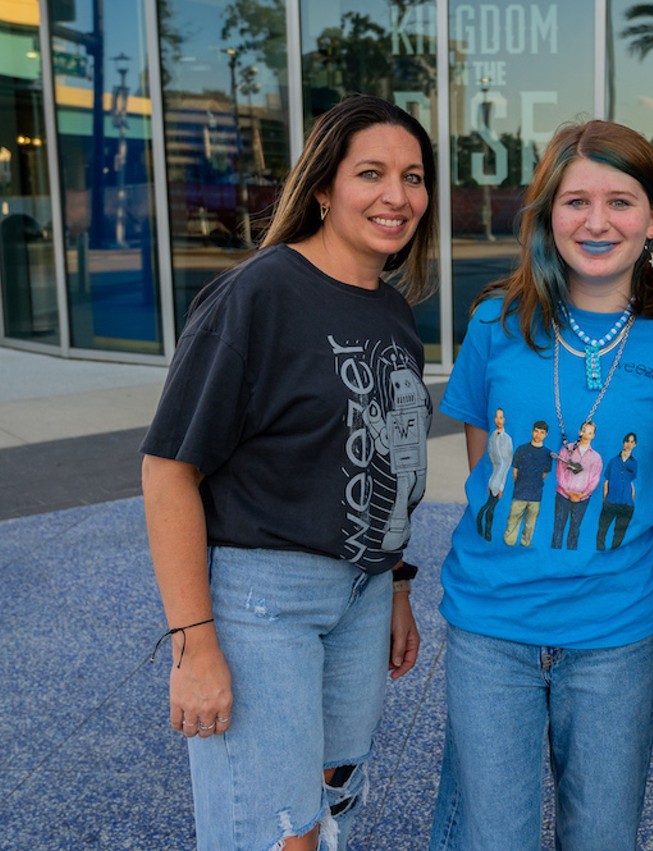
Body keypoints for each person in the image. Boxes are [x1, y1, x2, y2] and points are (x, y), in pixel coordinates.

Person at [140, 94, 438, 851]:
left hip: (363, 596)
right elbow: (167, 469)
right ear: (323, 188)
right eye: (370, 173)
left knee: (325, 803)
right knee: (274, 832)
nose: (395, 196)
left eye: (413, 176)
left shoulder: (393, 310)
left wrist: (396, 581)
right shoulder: (258, 296)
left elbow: (387, 458)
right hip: (264, 601)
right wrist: (194, 644)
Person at [430, 119, 653, 850]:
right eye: (574, 200)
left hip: (615, 635)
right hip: (491, 628)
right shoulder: (496, 322)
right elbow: (484, 466)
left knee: (603, 834)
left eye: (620, 201)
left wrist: (612, 555)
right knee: (494, 835)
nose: (596, 221)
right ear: (546, 215)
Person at [551, 420, 603, 550]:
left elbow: (595, 479)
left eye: (591, 432)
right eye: (585, 430)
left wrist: (582, 494)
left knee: (575, 528)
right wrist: (568, 491)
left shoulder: (596, 458)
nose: (587, 433)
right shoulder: (567, 449)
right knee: (558, 526)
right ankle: (555, 555)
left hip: (582, 499)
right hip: (563, 496)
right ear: (580, 431)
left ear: (593, 436)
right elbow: (560, 471)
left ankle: (571, 557)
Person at [503, 420, 553, 546]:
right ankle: (509, 543)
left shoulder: (547, 454)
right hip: (520, 492)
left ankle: (526, 543)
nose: (538, 434)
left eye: (542, 432)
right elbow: (515, 471)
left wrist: (535, 483)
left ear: (546, 435)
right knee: (513, 519)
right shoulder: (522, 449)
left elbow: (544, 474)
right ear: (532, 431)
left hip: (536, 495)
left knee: (530, 523)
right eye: (536, 431)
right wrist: (520, 484)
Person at [475, 408, 514, 541]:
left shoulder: (507, 439)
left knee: (492, 509)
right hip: (493, 477)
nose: (499, 420)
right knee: (484, 508)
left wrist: (502, 486)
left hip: (501, 478)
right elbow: (491, 456)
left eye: (501, 417)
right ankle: (482, 531)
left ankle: (488, 533)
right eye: (497, 417)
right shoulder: (493, 436)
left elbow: (508, 462)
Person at [597, 432, 640, 550]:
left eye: (632, 442)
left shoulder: (634, 463)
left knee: (620, 532)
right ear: (623, 442)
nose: (629, 444)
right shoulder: (613, 461)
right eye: (627, 441)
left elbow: (632, 483)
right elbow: (606, 481)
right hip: (611, 500)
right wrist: (605, 498)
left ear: (635, 444)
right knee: (603, 528)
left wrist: (631, 500)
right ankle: (600, 550)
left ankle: (614, 553)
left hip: (626, 503)